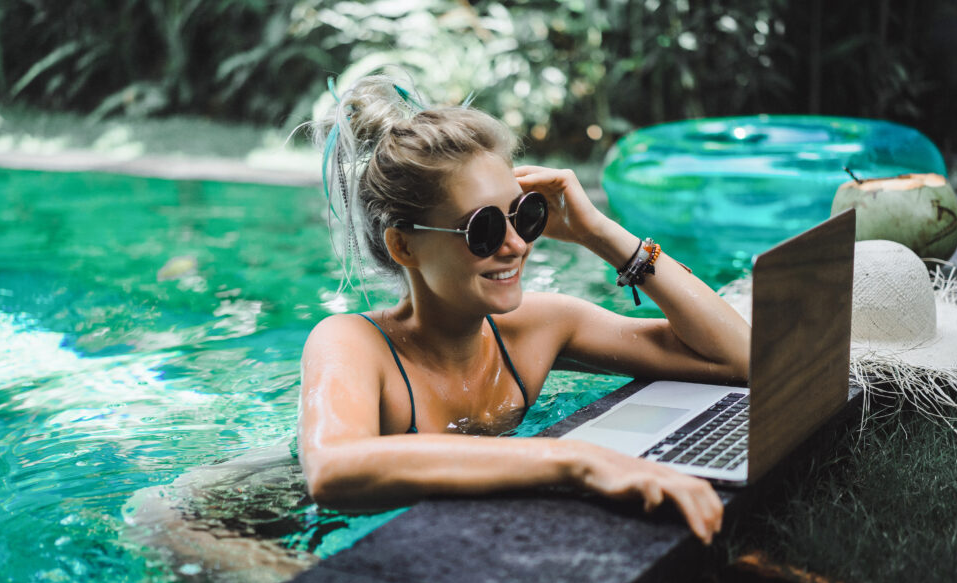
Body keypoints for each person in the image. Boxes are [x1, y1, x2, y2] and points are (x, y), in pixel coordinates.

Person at [298, 73, 750, 544]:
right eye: (484, 228)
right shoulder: (351, 342)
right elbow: (332, 469)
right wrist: (577, 460)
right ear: (404, 246)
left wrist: (599, 232)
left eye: (524, 214)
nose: (516, 245)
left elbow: (737, 359)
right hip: (281, 530)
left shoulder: (538, 327)